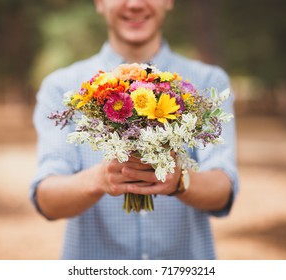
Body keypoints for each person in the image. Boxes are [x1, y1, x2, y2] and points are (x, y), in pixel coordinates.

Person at [31, 0, 238, 260]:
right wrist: (99, 179)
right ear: (99, 3)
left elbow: (224, 190)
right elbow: (46, 199)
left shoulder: (207, 83)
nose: (136, 4)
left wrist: (179, 180)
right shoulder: (63, 88)